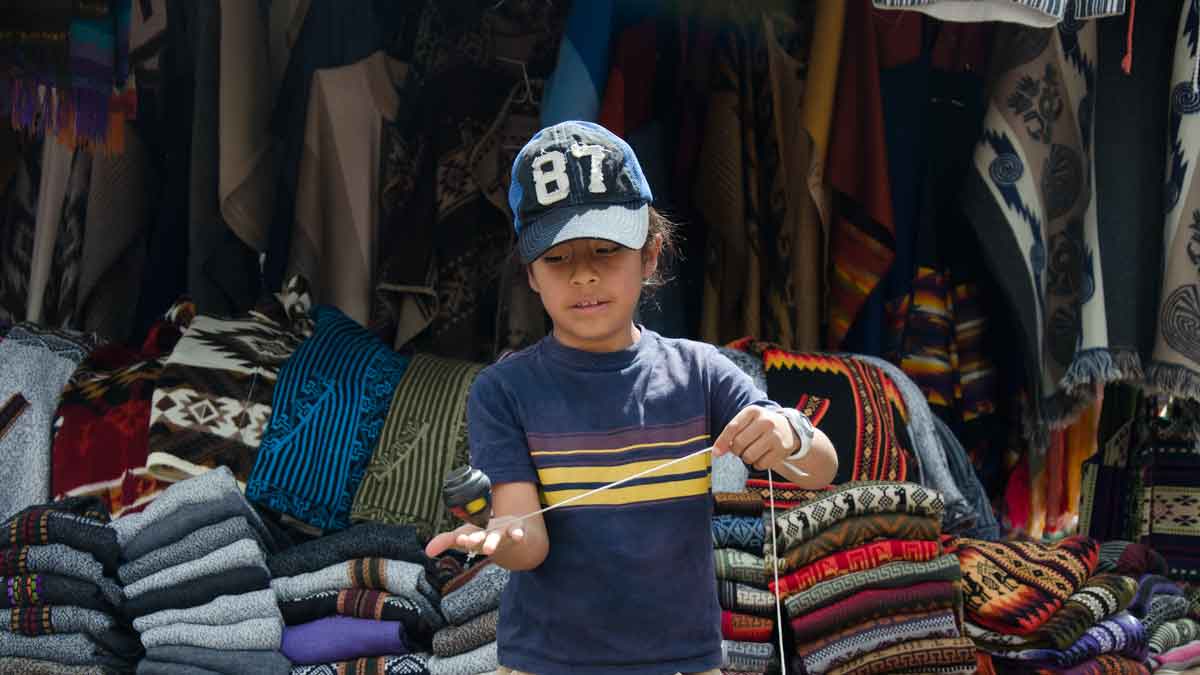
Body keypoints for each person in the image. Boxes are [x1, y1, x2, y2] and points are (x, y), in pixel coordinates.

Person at [425, 121, 838, 675]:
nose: (585, 275)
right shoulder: (503, 391)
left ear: (649, 256)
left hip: (683, 662)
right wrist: (500, 538)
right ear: (530, 273)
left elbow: (820, 469)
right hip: (545, 663)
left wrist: (790, 433)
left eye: (605, 249)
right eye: (557, 258)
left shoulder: (701, 372)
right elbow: (531, 543)